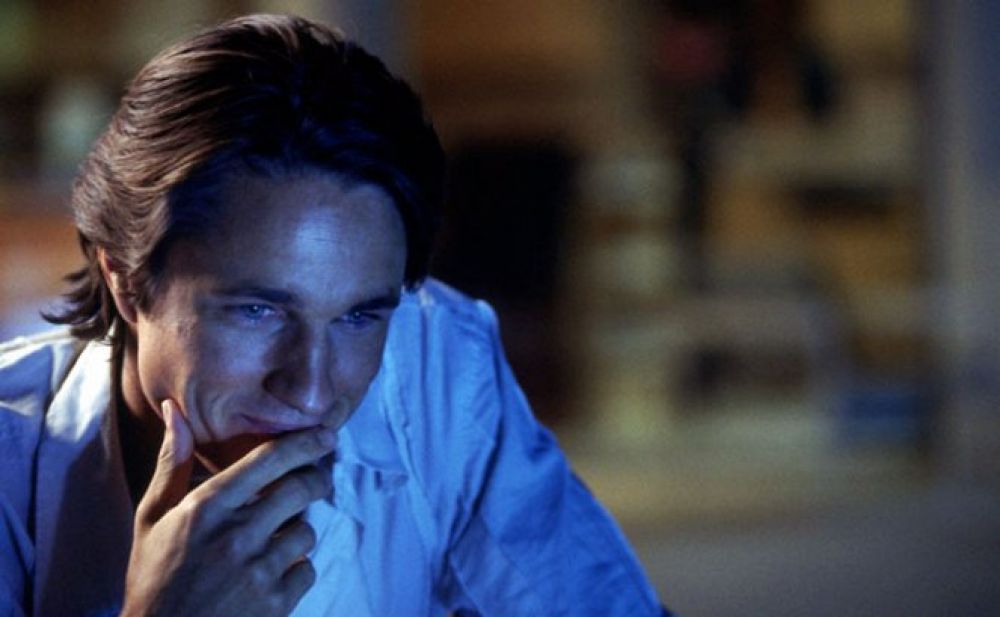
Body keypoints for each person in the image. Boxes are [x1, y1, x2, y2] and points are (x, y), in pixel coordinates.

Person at [0, 13, 670, 616]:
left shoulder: (433, 367)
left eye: (357, 317)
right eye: (257, 310)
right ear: (124, 279)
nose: (312, 390)